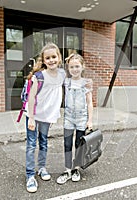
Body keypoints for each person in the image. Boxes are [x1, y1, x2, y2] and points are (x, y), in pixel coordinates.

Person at [25, 43, 66, 193]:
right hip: (34, 116)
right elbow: (31, 97)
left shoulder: (61, 75)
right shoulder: (39, 77)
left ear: (59, 58)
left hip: (47, 117)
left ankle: (41, 168)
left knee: (43, 142)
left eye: (54, 57)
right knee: (31, 145)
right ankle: (30, 175)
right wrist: (30, 118)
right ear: (43, 60)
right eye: (47, 58)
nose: (51, 60)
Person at [56, 53, 93, 185]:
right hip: (69, 118)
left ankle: (76, 168)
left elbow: (89, 103)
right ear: (68, 68)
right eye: (71, 67)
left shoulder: (86, 83)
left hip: (82, 118)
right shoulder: (66, 81)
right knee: (67, 144)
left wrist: (90, 120)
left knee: (79, 143)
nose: (75, 69)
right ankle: (67, 170)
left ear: (82, 67)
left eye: (77, 66)